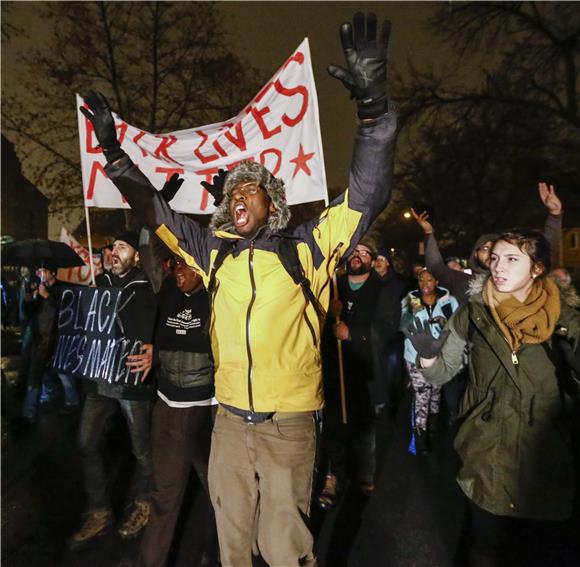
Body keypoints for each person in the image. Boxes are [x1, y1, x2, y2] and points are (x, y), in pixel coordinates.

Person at [80, 12, 397, 565]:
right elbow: (154, 208)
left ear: (272, 205)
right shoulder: (211, 252)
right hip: (226, 422)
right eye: (233, 193)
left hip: (288, 426)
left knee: (282, 549)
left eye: (252, 191)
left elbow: (367, 195)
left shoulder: (307, 248)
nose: (239, 197)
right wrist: (114, 155)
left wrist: (373, 114)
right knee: (232, 547)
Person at [404, 230, 580, 566]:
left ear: (536, 269)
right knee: (485, 548)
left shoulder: (565, 319)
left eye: (512, 259)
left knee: (539, 550)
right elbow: (442, 372)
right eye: (496, 258)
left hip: (544, 457)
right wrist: (427, 357)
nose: (498, 267)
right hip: (486, 454)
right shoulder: (472, 314)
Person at [68, 231, 157, 550]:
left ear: (136, 256)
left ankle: (144, 503)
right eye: (112, 248)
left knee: (142, 451)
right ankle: (99, 510)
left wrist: (153, 349)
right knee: (85, 443)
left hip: (131, 383)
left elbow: (156, 331)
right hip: (99, 381)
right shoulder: (100, 286)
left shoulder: (147, 289)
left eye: (122, 248)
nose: (114, 252)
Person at [136, 257, 218, 567]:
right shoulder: (168, 293)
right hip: (168, 410)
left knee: (219, 495)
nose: (180, 273)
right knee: (164, 494)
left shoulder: (218, 297)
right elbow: (156, 335)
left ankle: (217, 555)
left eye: (188, 266)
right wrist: (151, 352)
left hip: (206, 412)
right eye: (176, 265)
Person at [318, 240, 400, 508]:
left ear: (372, 258)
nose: (357, 256)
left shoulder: (382, 289)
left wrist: (353, 333)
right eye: (354, 251)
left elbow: (387, 326)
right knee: (333, 424)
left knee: (363, 425)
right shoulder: (335, 285)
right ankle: (333, 474)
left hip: (366, 370)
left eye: (364, 252)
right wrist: (328, 315)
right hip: (334, 368)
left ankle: (364, 474)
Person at [411, 182, 563, 307]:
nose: (491, 253)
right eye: (485, 248)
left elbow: (542, 251)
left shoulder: (517, 280)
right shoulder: (462, 281)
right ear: (475, 254)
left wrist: (555, 215)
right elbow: (435, 266)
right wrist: (429, 233)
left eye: (495, 249)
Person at [400, 269, 458, 454]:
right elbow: (402, 325)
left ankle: (432, 426)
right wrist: (412, 314)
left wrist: (444, 322)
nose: (425, 284)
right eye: (421, 279)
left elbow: (457, 327)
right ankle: (420, 435)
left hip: (439, 356)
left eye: (429, 279)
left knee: (435, 392)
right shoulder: (411, 299)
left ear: (437, 281)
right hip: (415, 355)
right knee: (422, 393)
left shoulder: (449, 302)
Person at [20, 264, 68, 423]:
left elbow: (66, 311)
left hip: (57, 338)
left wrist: (47, 296)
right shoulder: (39, 289)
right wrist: (29, 300)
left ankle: (72, 402)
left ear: (52, 272)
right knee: (35, 374)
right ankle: (29, 412)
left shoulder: (61, 289)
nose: (38, 273)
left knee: (63, 373)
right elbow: (30, 313)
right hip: (40, 339)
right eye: (38, 271)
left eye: (43, 271)